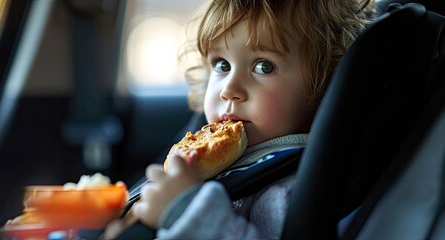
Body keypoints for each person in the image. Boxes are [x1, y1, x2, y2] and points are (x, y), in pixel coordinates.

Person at [117, 0, 374, 238]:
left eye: (263, 66)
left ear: (325, 89)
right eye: (222, 65)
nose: (229, 89)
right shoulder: (220, 156)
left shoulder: (287, 190)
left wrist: (186, 210)